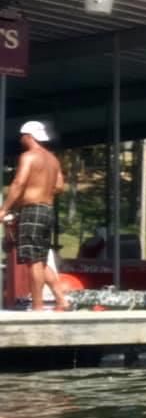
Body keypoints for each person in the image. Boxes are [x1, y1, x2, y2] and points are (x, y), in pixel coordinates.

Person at [0, 121, 68, 310]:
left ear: (29, 137)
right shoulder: (53, 159)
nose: (20, 140)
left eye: (22, 136)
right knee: (41, 259)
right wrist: (42, 189)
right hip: (47, 210)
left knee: (33, 261)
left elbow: (18, 182)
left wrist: (5, 208)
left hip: (32, 210)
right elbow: (60, 186)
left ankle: (37, 306)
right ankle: (61, 299)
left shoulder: (28, 156)